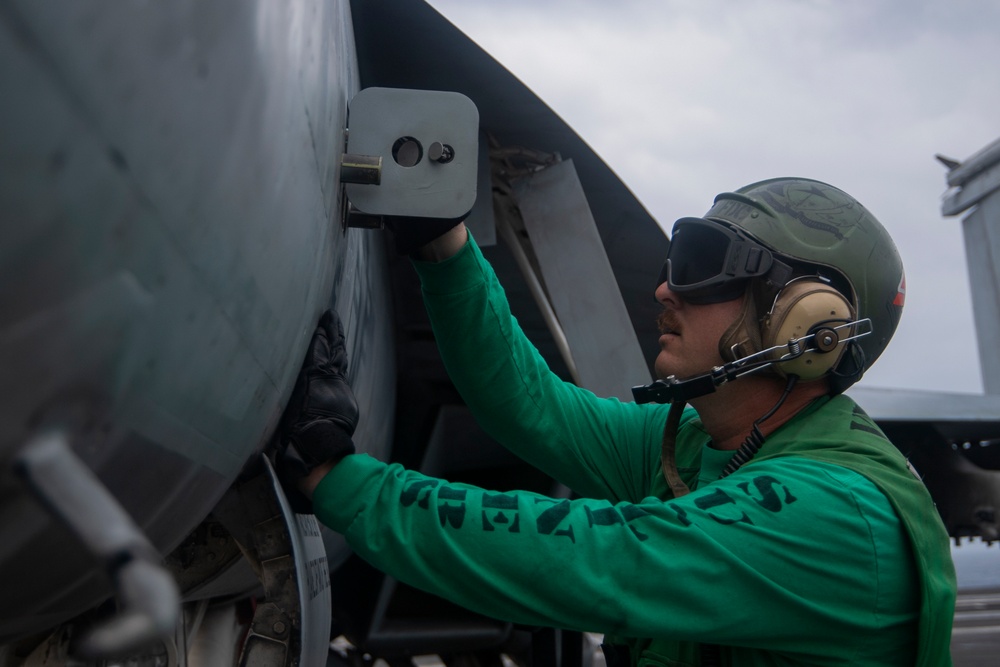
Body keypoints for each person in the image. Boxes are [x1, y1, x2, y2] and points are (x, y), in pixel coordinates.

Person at [279, 178, 956, 666]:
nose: (665, 288)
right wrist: (444, 243)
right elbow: (532, 405)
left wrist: (338, 477)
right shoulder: (696, 446)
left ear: (806, 323)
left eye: (699, 267)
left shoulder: (837, 515)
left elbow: (591, 560)